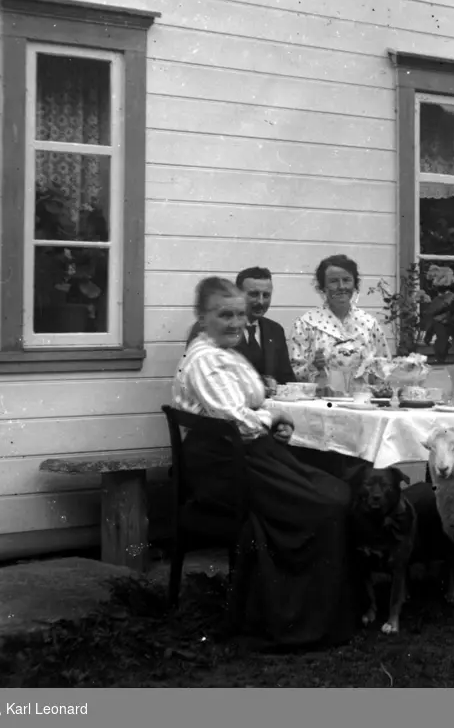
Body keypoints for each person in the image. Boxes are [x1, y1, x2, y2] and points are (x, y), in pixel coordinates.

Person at [172, 276, 357, 649]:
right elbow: (235, 418)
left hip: (248, 455)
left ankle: (311, 611)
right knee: (325, 503)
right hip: (224, 468)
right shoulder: (205, 359)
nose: (236, 323)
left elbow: (250, 406)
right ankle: (287, 620)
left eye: (240, 315)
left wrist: (268, 421)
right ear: (202, 317)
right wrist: (270, 421)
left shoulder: (226, 352)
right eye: (225, 315)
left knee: (333, 489)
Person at [187, 267, 295, 392]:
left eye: (266, 295)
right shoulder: (209, 328)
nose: (260, 301)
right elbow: (206, 379)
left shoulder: (275, 330)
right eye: (253, 294)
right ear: (237, 294)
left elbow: (287, 380)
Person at [288, 254, 390, 384]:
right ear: (323, 287)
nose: (341, 287)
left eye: (346, 280)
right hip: (321, 401)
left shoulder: (369, 324)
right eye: (333, 281)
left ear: (355, 284)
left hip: (361, 399)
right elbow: (293, 373)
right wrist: (312, 365)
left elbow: (385, 370)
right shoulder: (306, 323)